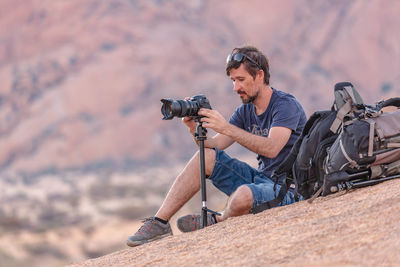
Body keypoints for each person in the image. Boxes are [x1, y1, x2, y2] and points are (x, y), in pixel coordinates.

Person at [126, 45, 307, 247]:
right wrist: (193, 127)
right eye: (233, 80)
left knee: (244, 195)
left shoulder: (285, 105)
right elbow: (212, 147)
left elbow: (272, 148)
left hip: (288, 189)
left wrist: (227, 127)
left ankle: (218, 219)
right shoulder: (244, 112)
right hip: (262, 179)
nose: (236, 88)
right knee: (206, 157)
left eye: (241, 80)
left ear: (260, 75)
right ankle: (159, 223)